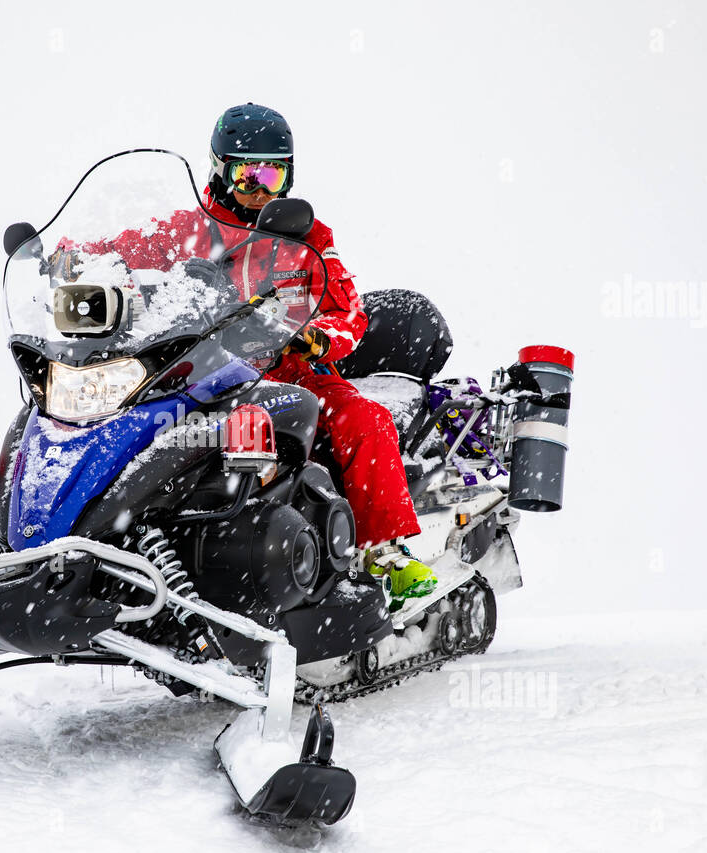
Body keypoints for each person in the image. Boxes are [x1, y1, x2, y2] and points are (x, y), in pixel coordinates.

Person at [70, 104, 437, 608]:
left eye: (272, 173)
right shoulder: (188, 228)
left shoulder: (306, 237)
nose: (260, 187)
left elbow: (345, 308)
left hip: (290, 369)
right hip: (200, 367)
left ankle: (383, 550)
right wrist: (67, 256)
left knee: (362, 417)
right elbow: (122, 248)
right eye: (247, 174)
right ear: (220, 171)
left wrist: (319, 337)